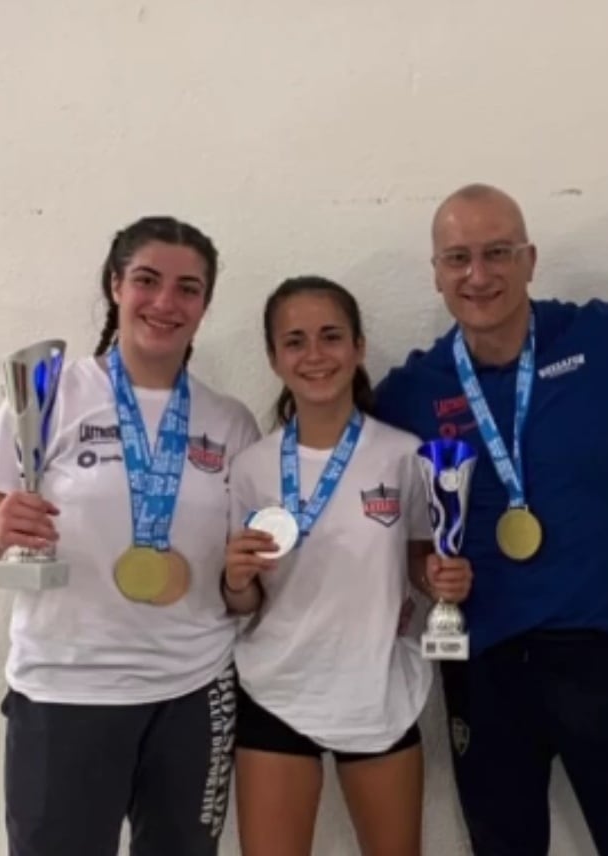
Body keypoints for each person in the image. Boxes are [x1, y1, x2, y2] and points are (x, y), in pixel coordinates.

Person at [372, 183, 608, 856]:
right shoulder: (413, 391)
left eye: (498, 252)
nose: (479, 275)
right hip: (484, 664)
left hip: (603, 653)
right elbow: (375, 505)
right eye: (458, 258)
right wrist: (424, 572)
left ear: (530, 259)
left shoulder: (601, 338)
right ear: (437, 274)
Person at [0, 217, 262, 856]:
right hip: (67, 688)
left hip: (193, 691)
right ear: (115, 286)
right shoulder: (49, 393)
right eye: (147, 280)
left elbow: (243, 593)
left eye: (188, 288)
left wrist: (242, 584)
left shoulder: (229, 422)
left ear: (205, 305)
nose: (166, 303)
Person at [222, 275, 472, 856]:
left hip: (375, 688)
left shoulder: (405, 454)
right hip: (276, 688)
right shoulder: (253, 466)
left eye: (331, 336)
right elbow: (247, 600)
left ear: (358, 347)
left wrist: (440, 576)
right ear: (273, 358)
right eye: (295, 341)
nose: (315, 355)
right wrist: (235, 581)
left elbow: (416, 561)